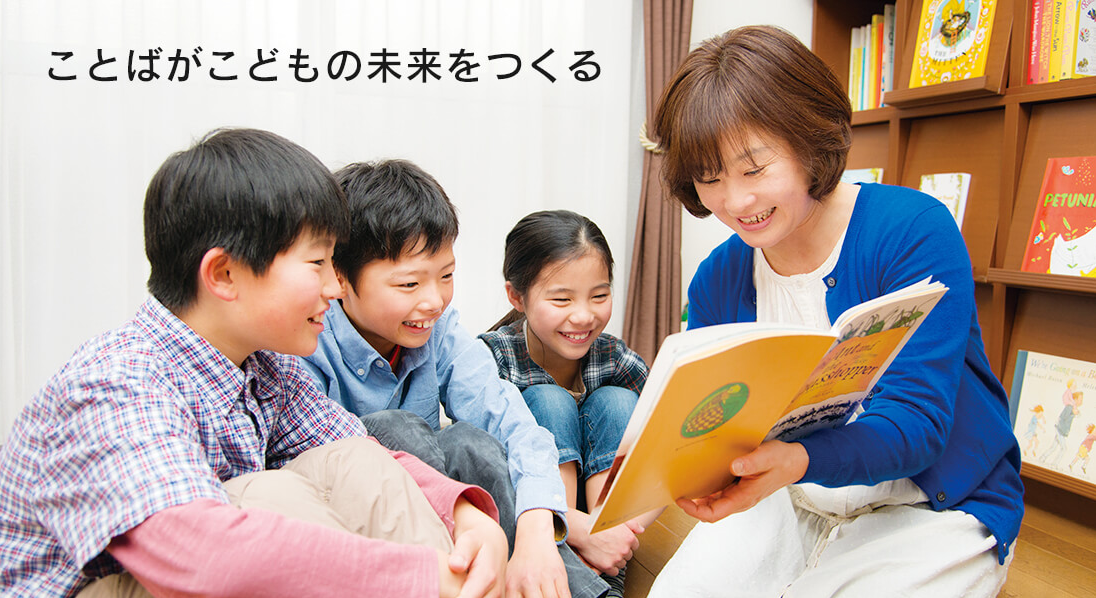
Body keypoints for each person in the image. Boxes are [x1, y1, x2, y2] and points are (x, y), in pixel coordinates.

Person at [0, 128, 508, 598]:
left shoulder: (267, 368)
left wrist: (463, 514)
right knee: (267, 494)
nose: (334, 288)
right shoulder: (115, 382)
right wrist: (420, 576)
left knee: (352, 459)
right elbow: (203, 555)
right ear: (224, 274)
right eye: (318, 263)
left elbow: (365, 454)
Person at [644, 26, 1023, 597]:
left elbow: (917, 423)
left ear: (808, 139)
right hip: (787, 495)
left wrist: (798, 459)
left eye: (754, 168)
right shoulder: (718, 279)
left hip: (934, 504)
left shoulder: (912, 230)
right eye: (710, 178)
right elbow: (715, 428)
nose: (736, 201)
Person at [300, 160, 606, 598]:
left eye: (446, 276)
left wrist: (537, 532)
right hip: (368, 540)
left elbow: (516, 426)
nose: (434, 301)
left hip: (464, 526)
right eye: (409, 285)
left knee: (469, 441)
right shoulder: (308, 341)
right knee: (390, 429)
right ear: (340, 279)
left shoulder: (438, 332)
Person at [478, 210, 657, 596]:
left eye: (600, 296)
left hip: (607, 527)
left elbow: (665, 439)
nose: (583, 316)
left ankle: (605, 573)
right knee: (548, 400)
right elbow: (477, 464)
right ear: (516, 296)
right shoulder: (493, 358)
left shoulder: (614, 358)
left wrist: (613, 533)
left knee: (618, 402)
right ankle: (566, 556)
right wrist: (575, 527)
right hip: (529, 517)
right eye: (562, 299)